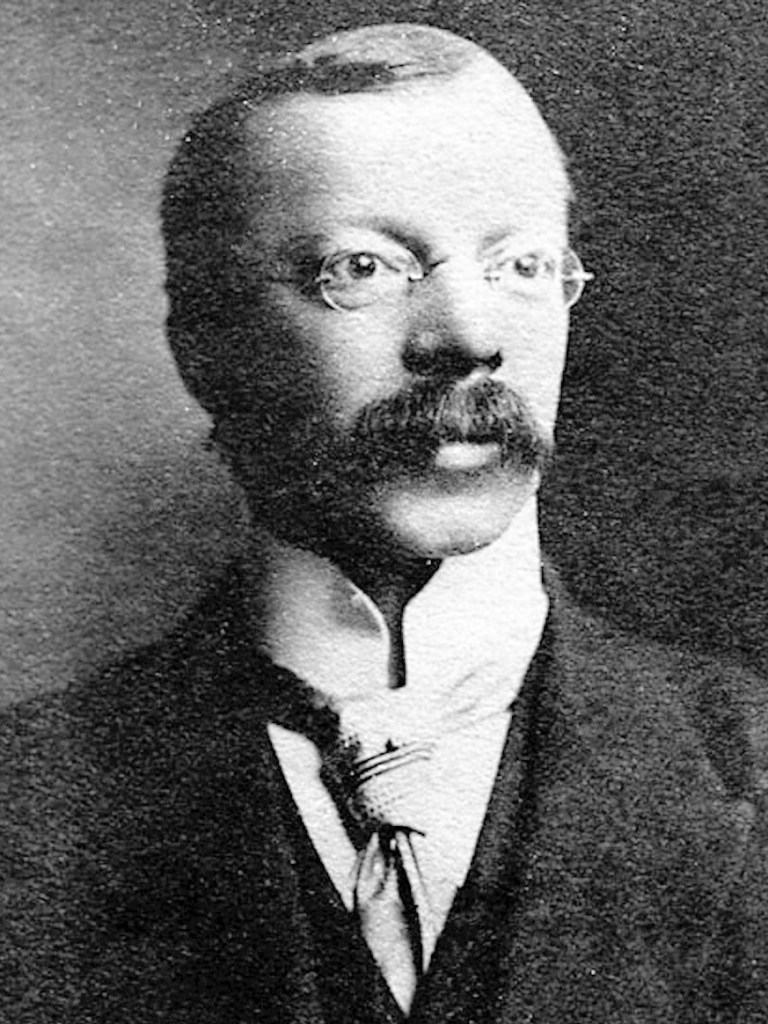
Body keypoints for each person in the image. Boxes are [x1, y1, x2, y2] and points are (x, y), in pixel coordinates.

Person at [3, 23, 767, 1024]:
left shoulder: (748, 761)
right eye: (362, 267)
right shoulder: (30, 805)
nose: (471, 336)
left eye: (522, 264)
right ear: (204, 342)